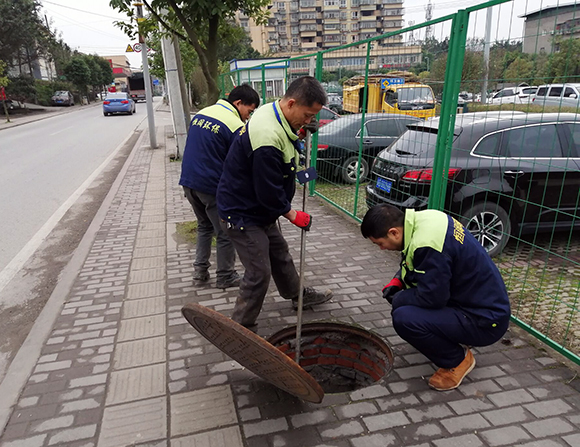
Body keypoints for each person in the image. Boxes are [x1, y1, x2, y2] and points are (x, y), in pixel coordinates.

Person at [216, 76, 333, 332]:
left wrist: (298, 135)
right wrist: (291, 214)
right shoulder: (267, 137)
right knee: (259, 272)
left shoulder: (273, 111)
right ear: (291, 103)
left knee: (279, 252)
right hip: (242, 212)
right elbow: (267, 190)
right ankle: (240, 328)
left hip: (258, 208)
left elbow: (282, 162)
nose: (309, 120)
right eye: (307, 114)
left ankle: (298, 296)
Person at [361, 204, 511, 391]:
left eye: (379, 243)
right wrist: (398, 280)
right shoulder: (425, 221)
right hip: (478, 303)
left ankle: (458, 360)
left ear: (394, 233)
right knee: (405, 306)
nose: (382, 249)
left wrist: (400, 298)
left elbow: (433, 298)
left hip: (485, 321)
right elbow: (420, 263)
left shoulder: (427, 244)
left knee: (404, 318)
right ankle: (448, 337)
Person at [179, 84, 260, 289]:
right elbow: (241, 162)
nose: (248, 117)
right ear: (238, 103)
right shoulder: (234, 125)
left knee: (204, 227)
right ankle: (225, 275)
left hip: (189, 182)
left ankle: (200, 273)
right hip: (211, 187)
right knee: (225, 232)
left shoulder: (202, 113)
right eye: (249, 111)